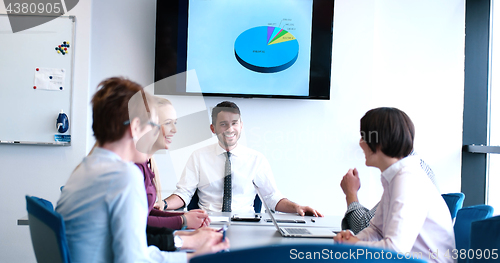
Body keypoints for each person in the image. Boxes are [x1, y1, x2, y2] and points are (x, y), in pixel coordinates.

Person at [56, 77, 229, 263]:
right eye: (155, 126)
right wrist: (193, 257)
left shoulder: (85, 169)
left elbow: (135, 252)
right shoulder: (122, 176)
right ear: (136, 127)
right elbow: (132, 260)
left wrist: (188, 251)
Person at [333, 107, 454, 262]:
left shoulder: (409, 180)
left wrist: (356, 245)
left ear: (380, 142)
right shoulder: (397, 177)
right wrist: (352, 239)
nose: (360, 143)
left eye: (364, 137)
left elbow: (396, 250)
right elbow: (376, 230)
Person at [163, 101, 323, 216]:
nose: (230, 129)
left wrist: (297, 207)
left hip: (246, 223)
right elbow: (183, 194)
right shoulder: (198, 156)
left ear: (241, 125)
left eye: (234, 123)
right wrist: (162, 204)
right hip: (207, 222)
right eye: (223, 124)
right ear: (213, 128)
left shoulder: (256, 159)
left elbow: (272, 198)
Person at [136, 97, 210, 251]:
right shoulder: (133, 168)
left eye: (174, 123)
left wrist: (185, 217)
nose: (174, 130)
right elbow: (139, 222)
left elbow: (147, 213)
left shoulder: (146, 164)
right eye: (168, 123)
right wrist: (182, 220)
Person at [340, 150, 439, 234]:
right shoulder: (411, 169)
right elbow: (373, 230)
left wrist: (351, 193)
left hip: (418, 256)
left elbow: (364, 227)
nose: (361, 143)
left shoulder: (409, 178)